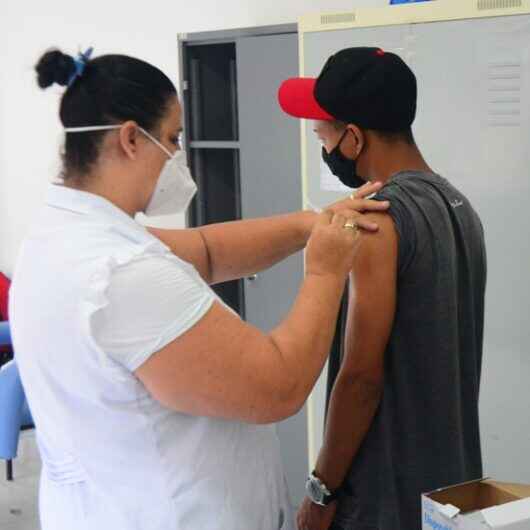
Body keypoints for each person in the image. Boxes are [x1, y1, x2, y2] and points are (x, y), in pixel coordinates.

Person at [8, 47, 390, 530]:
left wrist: (311, 225)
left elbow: (207, 250)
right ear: (130, 139)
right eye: (172, 137)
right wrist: (326, 270)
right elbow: (278, 387)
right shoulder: (122, 274)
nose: (177, 154)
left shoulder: (64, 234)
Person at [279, 47, 487, 530]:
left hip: (382, 500)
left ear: (353, 138)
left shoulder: (378, 222)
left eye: (322, 135)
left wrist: (321, 491)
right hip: (449, 492)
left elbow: (360, 380)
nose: (323, 148)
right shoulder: (460, 207)